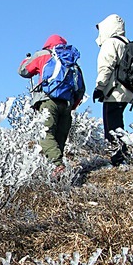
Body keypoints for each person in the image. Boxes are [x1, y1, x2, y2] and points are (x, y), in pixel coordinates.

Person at [18, 34, 83, 177]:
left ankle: (57, 167)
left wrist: (27, 60)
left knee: (46, 135)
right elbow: (80, 88)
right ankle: (55, 175)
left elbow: (23, 70)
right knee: (59, 139)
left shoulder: (44, 55)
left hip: (48, 101)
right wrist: (72, 106)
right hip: (66, 104)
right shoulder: (71, 60)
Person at [92, 13, 133, 167]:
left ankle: (119, 159)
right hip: (126, 91)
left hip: (113, 92)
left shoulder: (110, 43)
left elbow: (106, 67)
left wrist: (100, 87)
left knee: (112, 127)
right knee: (118, 124)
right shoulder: (126, 43)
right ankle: (121, 157)